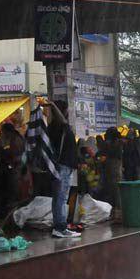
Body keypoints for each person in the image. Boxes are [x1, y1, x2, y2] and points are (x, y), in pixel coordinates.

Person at [44, 102, 80, 238]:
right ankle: (60, 228)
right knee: (61, 197)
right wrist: (53, 106)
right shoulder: (60, 128)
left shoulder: (56, 127)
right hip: (62, 166)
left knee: (60, 197)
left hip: (64, 166)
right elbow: (63, 121)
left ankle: (60, 226)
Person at [101, 128, 123, 210]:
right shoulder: (119, 143)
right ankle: (118, 210)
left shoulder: (107, 144)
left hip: (110, 168)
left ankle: (112, 209)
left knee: (111, 189)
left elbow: (103, 157)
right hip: (118, 167)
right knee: (117, 189)